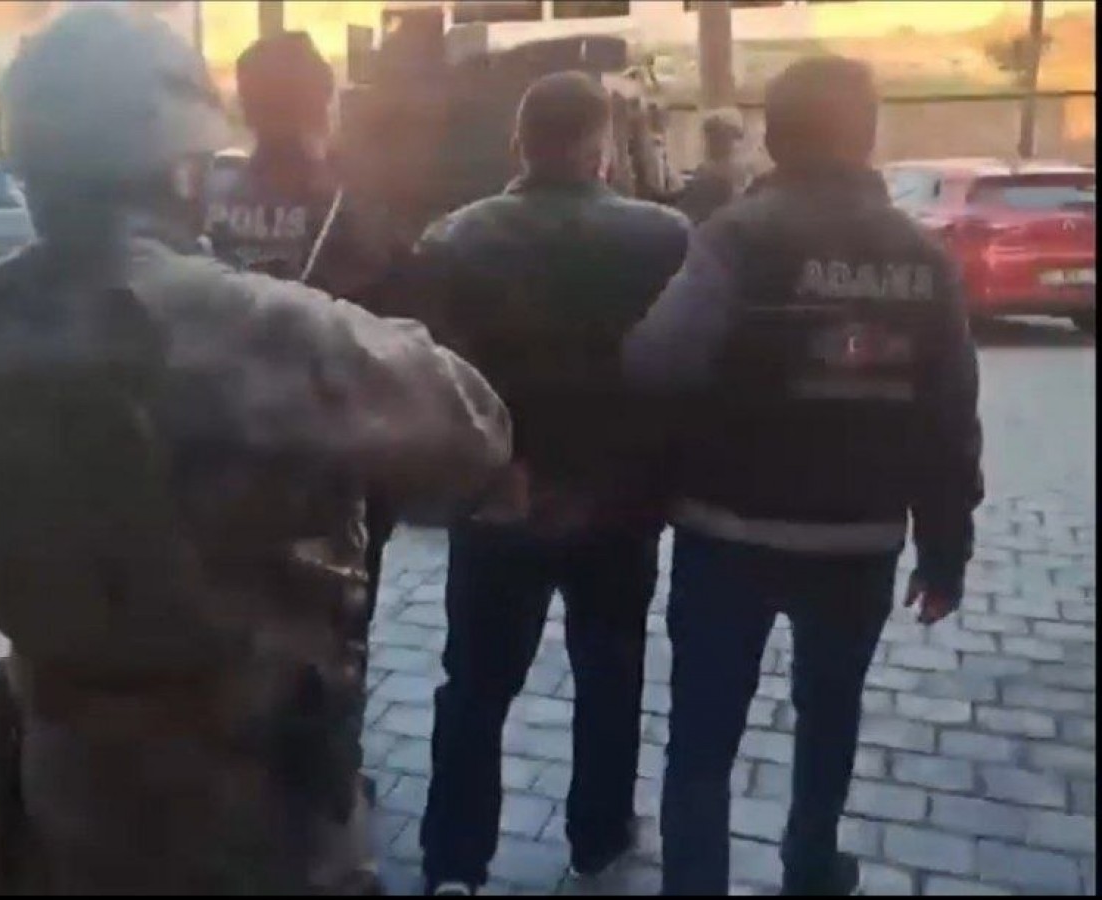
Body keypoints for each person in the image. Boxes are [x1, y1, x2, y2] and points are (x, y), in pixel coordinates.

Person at [0, 6, 513, 894]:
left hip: (59, 783)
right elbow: (474, 426)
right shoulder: (240, 323)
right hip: (232, 805)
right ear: (180, 165)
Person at [622, 56, 983, 896]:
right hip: (858, 541)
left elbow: (655, 362)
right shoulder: (923, 259)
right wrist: (944, 551)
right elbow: (948, 416)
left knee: (702, 735)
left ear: (773, 136)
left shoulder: (736, 238)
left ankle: (695, 883)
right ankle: (811, 865)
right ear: (866, 135)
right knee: (830, 713)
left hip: (726, 533)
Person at [411, 71, 690, 896]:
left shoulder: (453, 237)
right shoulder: (665, 238)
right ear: (603, 148)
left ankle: (454, 860)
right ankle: (597, 838)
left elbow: (429, 374)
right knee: (610, 674)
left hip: (499, 497)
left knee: (474, 686)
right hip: (617, 506)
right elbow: (685, 376)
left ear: (518, 146)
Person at [207, 31, 407, 641]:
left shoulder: (208, 199)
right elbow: (397, 335)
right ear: (324, 101)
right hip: (329, 461)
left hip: (225, 444)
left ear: (244, 107)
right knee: (331, 637)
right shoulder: (358, 203)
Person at [672, 107, 751, 225]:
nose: (711, 143)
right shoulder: (706, 172)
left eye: (718, 137)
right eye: (711, 138)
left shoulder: (712, 173)